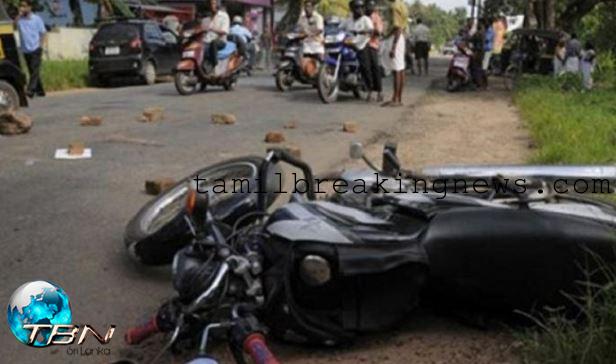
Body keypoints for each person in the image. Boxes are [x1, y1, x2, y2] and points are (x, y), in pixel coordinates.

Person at [342, 0, 374, 101]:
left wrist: (365, 31)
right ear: (352, 9)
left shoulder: (365, 19)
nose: (359, 9)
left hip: (361, 45)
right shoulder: (348, 20)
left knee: (365, 67)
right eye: (356, 7)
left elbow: (371, 30)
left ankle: (370, 90)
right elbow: (340, 27)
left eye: (361, 7)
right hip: (349, 45)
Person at [15, 0, 46, 98]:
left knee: (34, 69)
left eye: (24, 6)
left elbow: (43, 32)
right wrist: (19, 15)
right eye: (21, 6)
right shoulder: (20, 20)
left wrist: (40, 46)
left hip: (36, 48)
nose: (22, 8)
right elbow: (12, 25)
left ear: (29, 7)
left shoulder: (37, 19)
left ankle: (30, 90)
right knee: (32, 70)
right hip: (25, 49)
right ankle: (40, 91)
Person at [382, 0, 408, 107]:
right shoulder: (402, 4)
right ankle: (397, 98)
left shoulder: (395, 6)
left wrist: (393, 46)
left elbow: (397, 27)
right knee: (400, 69)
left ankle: (396, 99)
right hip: (400, 37)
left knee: (397, 70)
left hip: (395, 37)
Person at [203, 0, 230, 71]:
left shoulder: (224, 16)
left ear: (218, 5)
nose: (212, 6)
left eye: (214, 4)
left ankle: (214, 65)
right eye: (211, 4)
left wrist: (212, 29)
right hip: (206, 41)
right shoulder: (206, 18)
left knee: (213, 43)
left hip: (220, 41)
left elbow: (224, 31)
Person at [366, 0, 384, 102]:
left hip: (372, 45)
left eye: (370, 6)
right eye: (367, 6)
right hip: (361, 45)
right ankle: (369, 91)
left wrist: (373, 30)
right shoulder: (362, 17)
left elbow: (379, 31)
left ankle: (379, 91)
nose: (368, 8)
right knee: (366, 68)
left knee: (375, 68)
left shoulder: (376, 17)